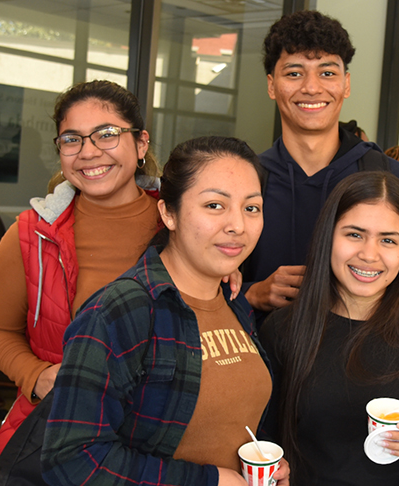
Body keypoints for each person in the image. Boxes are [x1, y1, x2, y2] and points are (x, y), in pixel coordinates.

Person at [42, 136, 289, 486]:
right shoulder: (120, 311)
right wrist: (207, 481)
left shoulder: (234, 301)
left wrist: (267, 464)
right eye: (215, 205)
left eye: (252, 208)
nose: (238, 225)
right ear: (168, 214)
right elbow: (70, 461)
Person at [0, 80, 162, 486]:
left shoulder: (182, 224)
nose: (89, 151)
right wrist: (36, 375)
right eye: (72, 139)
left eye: (107, 134)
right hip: (62, 438)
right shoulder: (31, 234)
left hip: (158, 438)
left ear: (141, 143)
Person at [259, 171, 399, 485]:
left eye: (388, 240)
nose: (369, 254)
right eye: (354, 234)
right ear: (328, 236)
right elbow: (262, 437)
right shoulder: (284, 329)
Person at [242, 10, 399, 321]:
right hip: (261, 360)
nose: (312, 88)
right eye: (294, 73)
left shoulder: (388, 178)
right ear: (272, 86)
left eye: (327, 73)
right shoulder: (248, 179)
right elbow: (203, 283)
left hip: (359, 360)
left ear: (346, 83)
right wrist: (252, 294)